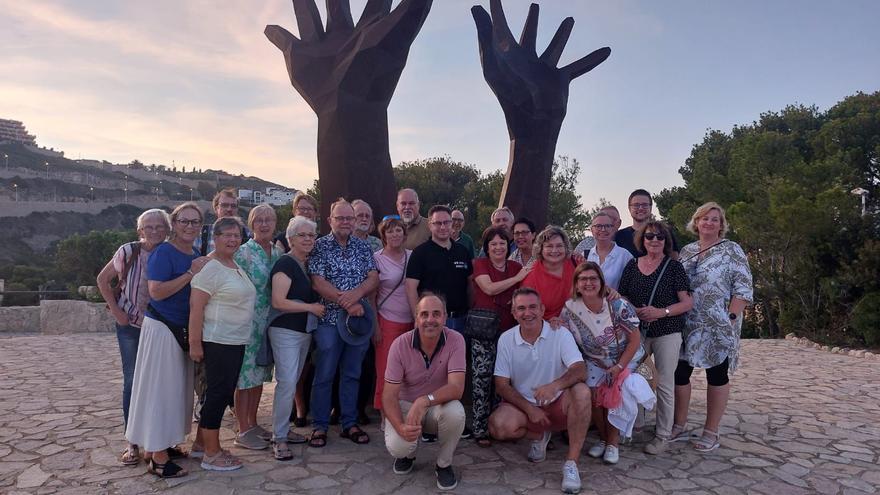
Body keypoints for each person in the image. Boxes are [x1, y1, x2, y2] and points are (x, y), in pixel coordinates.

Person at [126, 202, 209, 478]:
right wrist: (190, 274)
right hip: (162, 328)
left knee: (176, 391)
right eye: (184, 221)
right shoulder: (164, 252)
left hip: (180, 329)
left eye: (195, 222)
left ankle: (160, 446)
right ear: (174, 224)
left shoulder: (194, 252)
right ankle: (158, 459)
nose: (189, 226)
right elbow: (157, 292)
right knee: (160, 392)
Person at [489, 288, 590, 494]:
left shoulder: (560, 333)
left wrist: (555, 386)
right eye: (522, 308)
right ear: (514, 313)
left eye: (533, 307)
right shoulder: (506, 339)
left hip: (559, 403)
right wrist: (529, 408)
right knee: (498, 427)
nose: (528, 313)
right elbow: (501, 384)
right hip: (526, 408)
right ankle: (538, 436)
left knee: (582, 392)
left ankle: (571, 464)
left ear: (543, 309)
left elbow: (580, 370)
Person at [674, 202, 752, 452]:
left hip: (717, 324)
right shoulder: (686, 251)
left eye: (715, 219)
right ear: (696, 222)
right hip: (686, 323)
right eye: (704, 218)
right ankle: (679, 424)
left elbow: (743, 288)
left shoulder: (732, 250)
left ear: (722, 225)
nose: (709, 223)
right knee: (680, 373)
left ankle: (711, 431)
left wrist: (729, 318)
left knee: (716, 375)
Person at [96, 208, 170, 466]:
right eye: (148, 227)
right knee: (132, 380)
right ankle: (132, 442)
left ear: (167, 229)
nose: (154, 231)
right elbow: (103, 280)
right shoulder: (128, 251)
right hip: (132, 326)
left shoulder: (170, 252)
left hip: (161, 327)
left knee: (158, 383)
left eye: (159, 226)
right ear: (140, 231)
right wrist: (117, 312)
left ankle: (157, 439)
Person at [308, 198, 379, 447]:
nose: (347, 222)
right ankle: (319, 426)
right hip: (329, 321)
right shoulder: (319, 247)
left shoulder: (363, 247)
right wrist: (346, 301)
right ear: (330, 220)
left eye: (350, 218)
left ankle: (349, 423)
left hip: (358, 322)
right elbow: (317, 281)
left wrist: (357, 295)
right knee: (325, 373)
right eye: (341, 218)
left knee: (352, 373)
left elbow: (373, 278)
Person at [188, 217, 256, 471]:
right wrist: (195, 343)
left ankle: (200, 445)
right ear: (215, 237)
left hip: (234, 340)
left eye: (237, 235)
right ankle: (212, 453)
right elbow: (196, 307)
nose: (232, 239)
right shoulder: (211, 267)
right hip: (218, 340)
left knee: (219, 393)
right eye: (226, 235)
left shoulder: (233, 264)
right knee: (218, 394)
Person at [618, 220, 692, 455]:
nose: (654, 241)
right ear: (642, 239)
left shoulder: (674, 268)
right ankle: (634, 426)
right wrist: (635, 310)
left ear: (666, 241)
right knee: (633, 380)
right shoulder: (632, 265)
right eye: (649, 236)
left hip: (667, 331)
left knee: (665, 384)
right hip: (638, 332)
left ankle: (662, 435)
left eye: (660, 237)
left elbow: (687, 302)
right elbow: (623, 296)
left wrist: (662, 312)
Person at [559, 262, 643, 465]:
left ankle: (613, 442)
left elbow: (635, 340)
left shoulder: (617, 305)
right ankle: (604, 439)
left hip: (624, 358)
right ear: (577, 284)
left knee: (613, 389)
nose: (588, 283)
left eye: (593, 278)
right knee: (593, 393)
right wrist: (554, 323)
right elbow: (563, 331)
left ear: (601, 282)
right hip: (594, 360)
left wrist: (619, 367)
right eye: (583, 279)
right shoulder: (570, 308)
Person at [382, 293, 466, 491]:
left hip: (435, 405)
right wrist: (400, 426)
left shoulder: (456, 340)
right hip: (405, 406)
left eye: (436, 314)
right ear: (416, 317)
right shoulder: (400, 345)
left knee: (456, 412)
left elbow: (457, 388)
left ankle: (444, 465)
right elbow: (388, 395)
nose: (430, 320)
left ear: (445, 317)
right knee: (399, 447)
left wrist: (424, 400)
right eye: (424, 314)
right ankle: (408, 454)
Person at [267, 215, 325, 461]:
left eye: (312, 235)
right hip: (286, 331)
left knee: (292, 381)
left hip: (302, 333)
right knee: (288, 382)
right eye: (303, 235)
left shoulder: (306, 263)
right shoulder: (286, 263)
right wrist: (311, 308)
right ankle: (278, 438)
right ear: (290, 238)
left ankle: (283, 431)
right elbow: (278, 301)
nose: (309, 239)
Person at [469, 226, 529, 446]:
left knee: (503, 380)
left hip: (509, 332)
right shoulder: (480, 264)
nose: (498, 247)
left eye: (502, 243)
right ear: (487, 247)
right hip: (483, 332)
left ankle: (497, 424)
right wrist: (516, 279)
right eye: (493, 244)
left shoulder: (515, 266)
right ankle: (480, 428)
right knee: (481, 379)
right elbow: (489, 289)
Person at [231, 205, 284, 450]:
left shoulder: (277, 250)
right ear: (251, 224)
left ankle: (253, 423)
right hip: (247, 322)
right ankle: (242, 429)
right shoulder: (243, 253)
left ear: (275, 223)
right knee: (244, 377)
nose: (264, 224)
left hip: (269, 323)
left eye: (269, 220)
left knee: (260, 375)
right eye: (259, 220)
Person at [372, 217, 413, 428]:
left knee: (407, 369)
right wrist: (375, 326)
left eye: (399, 231)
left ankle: (403, 410)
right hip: (387, 319)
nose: (395, 234)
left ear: (404, 234)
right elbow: (371, 295)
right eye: (390, 231)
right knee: (385, 370)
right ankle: (384, 415)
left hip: (410, 320)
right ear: (384, 235)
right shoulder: (377, 259)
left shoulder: (412, 257)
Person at [405, 205, 473, 332]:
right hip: (432, 321)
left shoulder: (463, 251)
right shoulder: (420, 253)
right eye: (438, 223)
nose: (443, 227)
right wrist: (417, 318)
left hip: (461, 320)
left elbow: (470, 285)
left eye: (447, 222)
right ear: (430, 225)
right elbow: (410, 288)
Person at [521, 225, 576, 320]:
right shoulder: (531, 277)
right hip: (549, 328)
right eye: (549, 246)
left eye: (559, 246)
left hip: (580, 324)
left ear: (566, 247)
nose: (554, 250)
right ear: (540, 249)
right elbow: (526, 312)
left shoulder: (577, 263)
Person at [616, 189, 680, 259]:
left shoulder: (665, 232)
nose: (640, 208)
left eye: (645, 205)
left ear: (651, 207)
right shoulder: (619, 236)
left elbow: (674, 259)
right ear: (629, 208)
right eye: (636, 205)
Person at [581, 212, 634, 290]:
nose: (603, 229)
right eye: (598, 226)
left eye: (607, 226)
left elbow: (630, 289)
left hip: (614, 301)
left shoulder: (625, 256)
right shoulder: (585, 256)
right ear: (592, 230)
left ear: (613, 229)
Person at [194, 189, 250, 255]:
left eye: (233, 206)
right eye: (224, 205)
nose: (229, 209)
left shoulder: (246, 233)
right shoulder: (202, 233)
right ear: (216, 208)